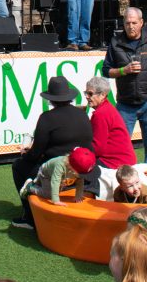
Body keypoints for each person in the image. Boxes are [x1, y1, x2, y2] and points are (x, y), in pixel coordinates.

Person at [11, 75, 93, 229]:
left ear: (50, 99)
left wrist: (25, 154)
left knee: (18, 166)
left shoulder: (47, 118)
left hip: (59, 169)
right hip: (84, 170)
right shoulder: (82, 114)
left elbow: (36, 153)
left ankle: (30, 217)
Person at [103, 7, 147, 166]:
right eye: (127, 23)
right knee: (120, 146)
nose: (130, 26)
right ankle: (122, 179)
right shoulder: (115, 43)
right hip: (125, 104)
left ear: (141, 23)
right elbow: (105, 70)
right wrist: (124, 70)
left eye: (134, 23)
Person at [83, 76, 136, 195]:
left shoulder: (101, 114)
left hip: (115, 162)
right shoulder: (106, 108)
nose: (87, 96)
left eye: (90, 93)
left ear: (102, 95)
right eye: (86, 93)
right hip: (122, 159)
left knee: (78, 164)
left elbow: (97, 148)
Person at [20, 146, 96, 206]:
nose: (81, 175)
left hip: (58, 176)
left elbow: (80, 181)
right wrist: (56, 200)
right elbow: (55, 181)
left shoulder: (76, 168)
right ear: (72, 167)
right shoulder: (60, 165)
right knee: (48, 195)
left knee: (56, 189)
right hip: (45, 174)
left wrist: (78, 196)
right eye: (80, 173)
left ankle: (37, 185)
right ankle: (29, 186)